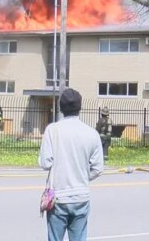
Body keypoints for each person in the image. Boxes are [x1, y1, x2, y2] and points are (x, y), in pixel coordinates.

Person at [39, 89, 104, 241]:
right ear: (80, 107)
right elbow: (98, 168)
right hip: (81, 196)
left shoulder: (52, 130)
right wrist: (81, 176)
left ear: (61, 108)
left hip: (58, 198)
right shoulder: (91, 133)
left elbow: (45, 163)